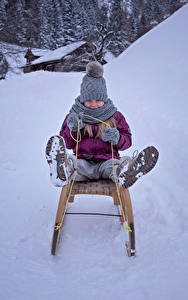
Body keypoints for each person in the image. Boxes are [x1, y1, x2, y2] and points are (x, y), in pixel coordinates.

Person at [45, 61, 159, 188]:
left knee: (115, 167)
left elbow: (127, 141)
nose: (94, 104)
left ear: (104, 98)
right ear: (83, 100)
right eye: (89, 100)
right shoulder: (74, 116)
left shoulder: (115, 116)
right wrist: (73, 129)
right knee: (74, 165)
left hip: (107, 162)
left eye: (98, 100)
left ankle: (127, 171)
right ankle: (62, 171)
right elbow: (68, 144)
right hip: (83, 163)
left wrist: (117, 138)